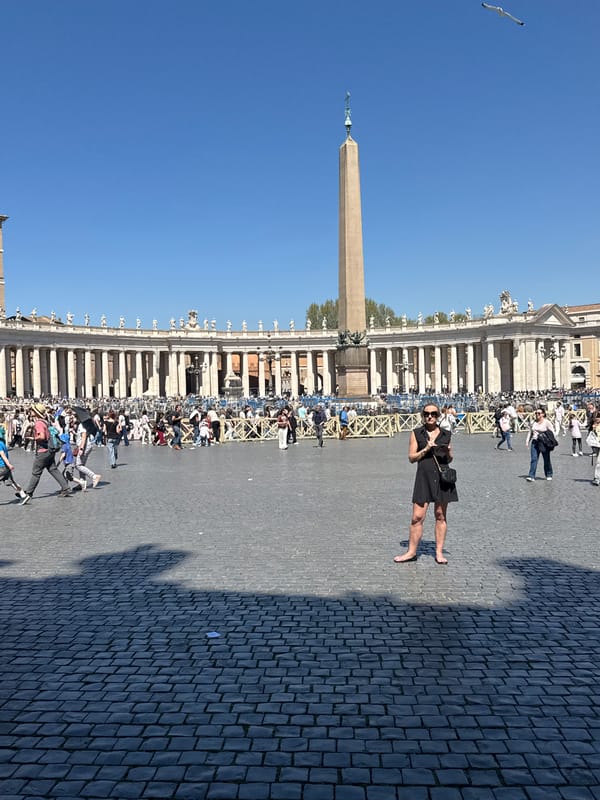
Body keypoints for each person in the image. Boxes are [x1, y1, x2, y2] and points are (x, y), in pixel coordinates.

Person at [394, 404, 457, 565]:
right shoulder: (416, 433)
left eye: (434, 414)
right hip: (423, 478)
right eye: (427, 414)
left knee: (441, 515)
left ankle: (439, 552)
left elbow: (449, 459)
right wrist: (426, 449)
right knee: (417, 517)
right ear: (423, 415)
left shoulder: (446, 434)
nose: (430, 416)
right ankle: (411, 551)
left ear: (438, 416)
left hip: (442, 479)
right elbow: (411, 458)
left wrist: (449, 452)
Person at [20, 403, 71, 505]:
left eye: (32, 410)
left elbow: (42, 436)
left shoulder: (38, 423)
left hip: (42, 451)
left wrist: (33, 438)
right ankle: (66, 487)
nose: (31, 411)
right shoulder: (45, 421)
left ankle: (28, 493)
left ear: (35, 412)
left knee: (36, 472)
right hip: (50, 450)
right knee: (53, 469)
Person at [525, 407, 556, 482]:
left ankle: (549, 474)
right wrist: (527, 441)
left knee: (546, 459)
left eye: (539, 413)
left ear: (543, 414)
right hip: (535, 442)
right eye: (536, 413)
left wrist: (550, 441)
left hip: (544, 443)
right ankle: (531, 476)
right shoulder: (533, 422)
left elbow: (552, 432)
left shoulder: (547, 422)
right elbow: (530, 432)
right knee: (534, 459)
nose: (537, 414)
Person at [0, 427, 27, 499]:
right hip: (6, 467)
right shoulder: (2, 443)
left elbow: (2, 455)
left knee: (11, 482)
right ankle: (22, 494)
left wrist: (9, 464)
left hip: (1, 467)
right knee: (11, 482)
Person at [75, 420, 102, 489]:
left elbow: (84, 437)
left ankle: (94, 476)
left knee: (78, 465)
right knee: (82, 465)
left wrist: (81, 448)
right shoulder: (87, 424)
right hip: (87, 446)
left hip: (84, 446)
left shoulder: (82, 425)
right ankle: (82, 482)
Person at [588, 413, 600, 486]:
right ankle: (597, 478)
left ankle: (597, 478)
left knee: (599, 462)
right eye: (597, 418)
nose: (597, 419)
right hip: (597, 445)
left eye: (598, 417)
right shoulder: (595, 426)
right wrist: (593, 429)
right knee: (598, 462)